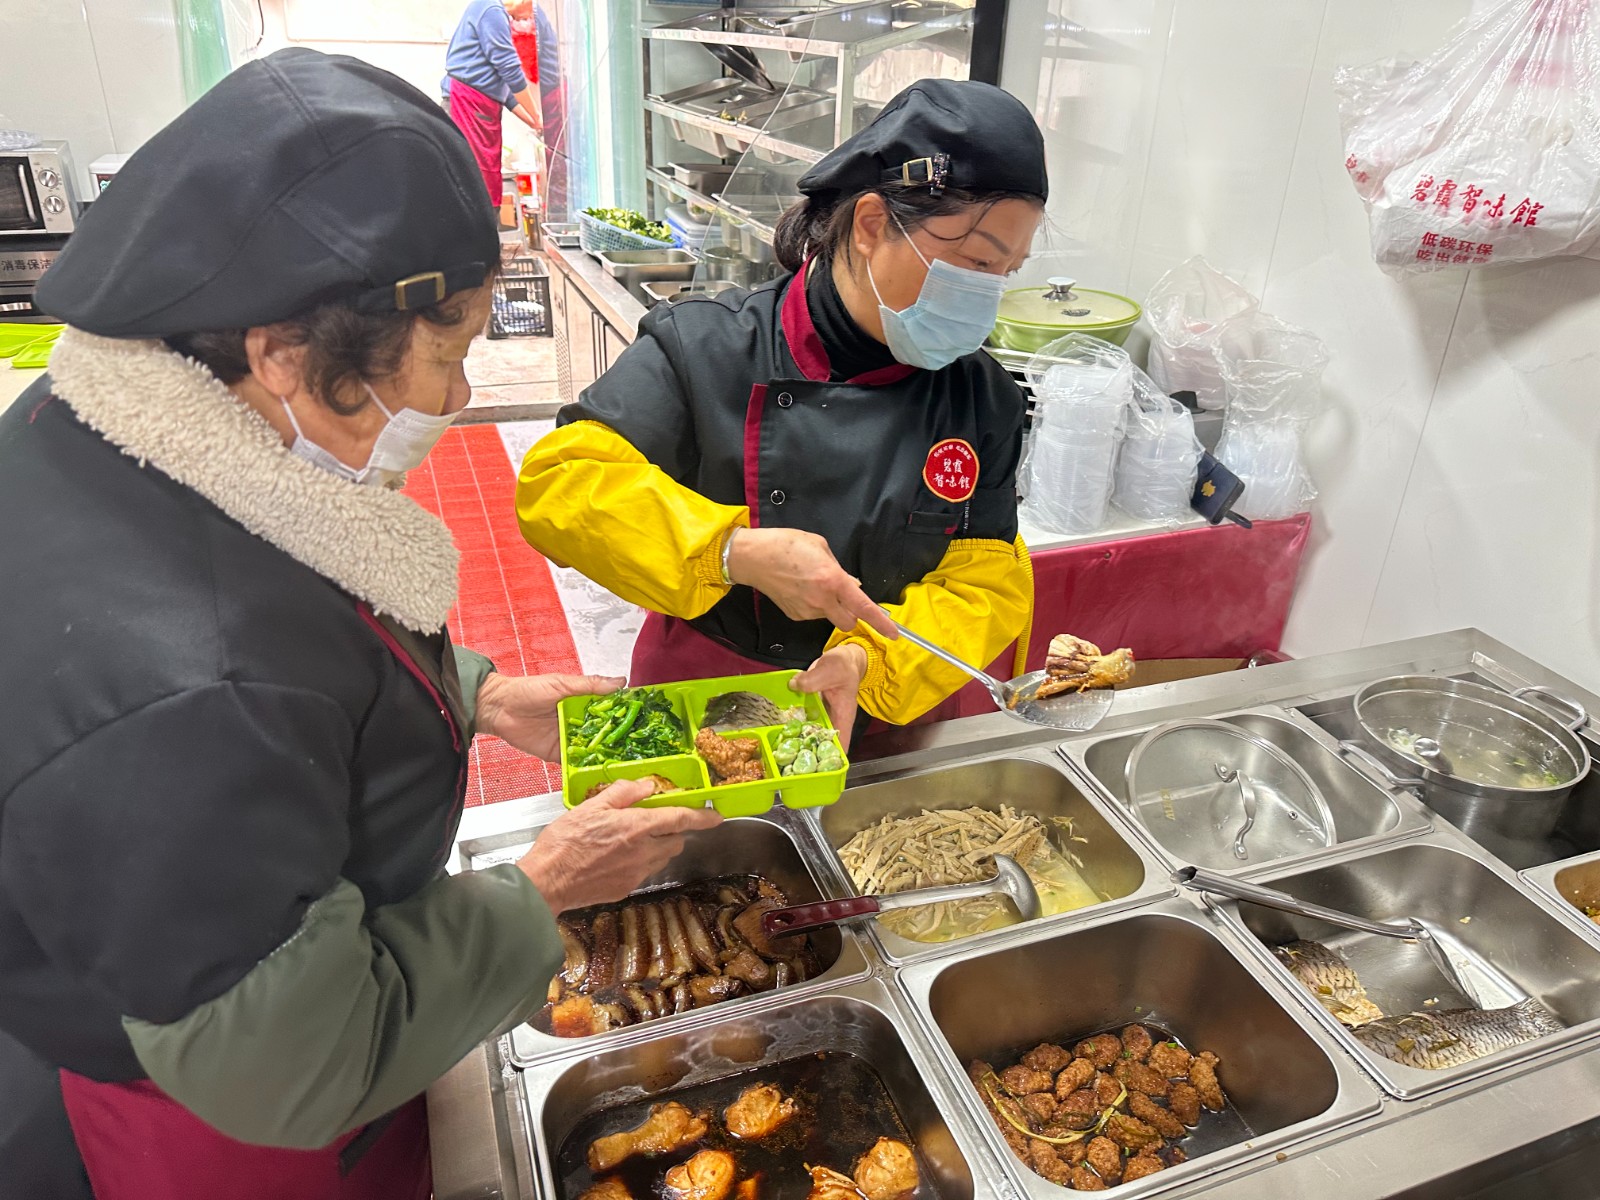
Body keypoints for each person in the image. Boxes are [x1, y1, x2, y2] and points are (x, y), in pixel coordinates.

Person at [0, 48, 718, 1200]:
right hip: (234, 1116)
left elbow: (292, 611)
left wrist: (470, 693)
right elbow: (294, 1061)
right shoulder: (195, 690)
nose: (462, 400)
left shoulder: (117, 422)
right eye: (448, 354)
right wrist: (542, 890)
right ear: (281, 349)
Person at [515, 80, 1049, 740]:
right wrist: (731, 550)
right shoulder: (705, 348)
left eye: (1006, 273)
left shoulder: (984, 399)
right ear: (873, 224)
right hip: (708, 703)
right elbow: (561, 486)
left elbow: (986, 583)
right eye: (975, 263)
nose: (987, 297)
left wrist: (870, 656)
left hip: (881, 709)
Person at [442, 0, 543, 204]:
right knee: (470, 185)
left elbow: (505, 92)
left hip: (479, 106)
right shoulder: (491, 9)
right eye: (531, 11)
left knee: (482, 184)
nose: (529, 18)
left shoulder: (493, 11)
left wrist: (534, 121)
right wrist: (536, 114)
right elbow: (510, 70)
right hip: (466, 104)